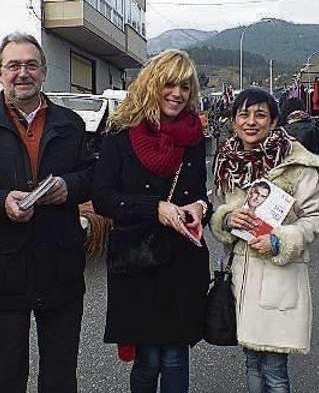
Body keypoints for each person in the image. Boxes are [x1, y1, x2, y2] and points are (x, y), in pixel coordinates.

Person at [0, 32, 94, 392]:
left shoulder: (70, 124)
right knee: (8, 376)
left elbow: (92, 177)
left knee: (59, 376)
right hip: (1, 270)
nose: (22, 73)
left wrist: (68, 188)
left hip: (60, 266)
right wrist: (0, 201)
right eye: (13, 66)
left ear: (43, 72)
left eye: (31, 65)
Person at [91, 49, 211, 393]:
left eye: (185, 87)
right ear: (151, 85)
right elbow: (103, 197)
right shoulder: (120, 134)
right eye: (169, 85)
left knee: (175, 356)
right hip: (137, 260)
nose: (177, 94)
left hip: (182, 260)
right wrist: (153, 208)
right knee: (148, 360)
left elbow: (200, 192)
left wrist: (200, 208)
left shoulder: (193, 137)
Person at [210, 88, 319, 393]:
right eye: (244, 114)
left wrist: (280, 241)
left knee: (275, 371)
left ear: (274, 120)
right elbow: (217, 212)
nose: (252, 122)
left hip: (280, 277)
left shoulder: (297, 164)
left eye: (260, 114)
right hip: (241, 278)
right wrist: (226, 218)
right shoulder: (226, 162)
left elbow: (316, 219)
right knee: (251, 363)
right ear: (234, 121)